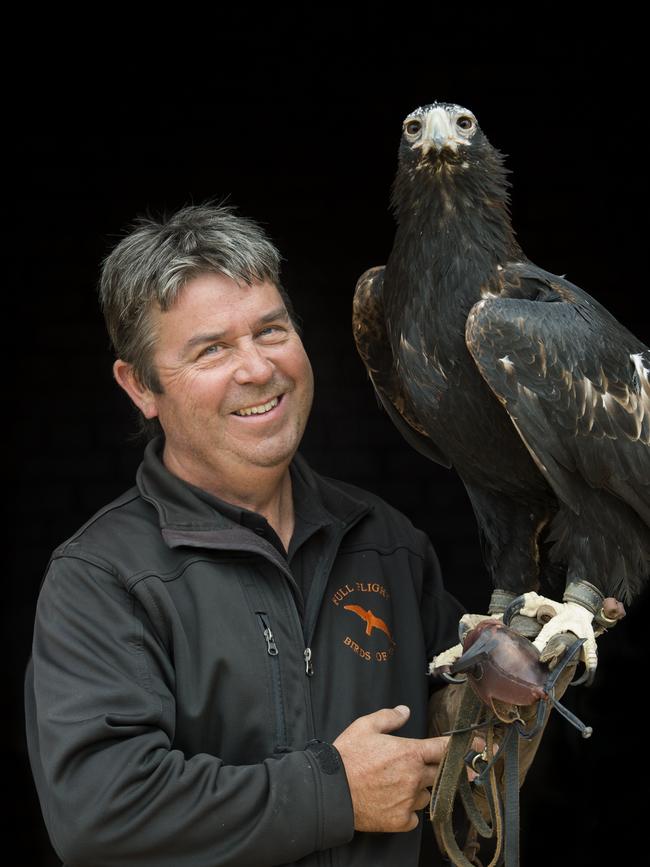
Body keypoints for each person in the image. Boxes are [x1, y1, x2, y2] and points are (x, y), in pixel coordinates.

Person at [25, 203, 465, 867]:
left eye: (271, 329)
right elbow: (101, 811)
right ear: (140, 385)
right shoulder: (102, 577)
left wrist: (497, 706)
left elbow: (466, 751)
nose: (259, 368)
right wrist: (336, 791)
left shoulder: (386, 542)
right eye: (213, 348)